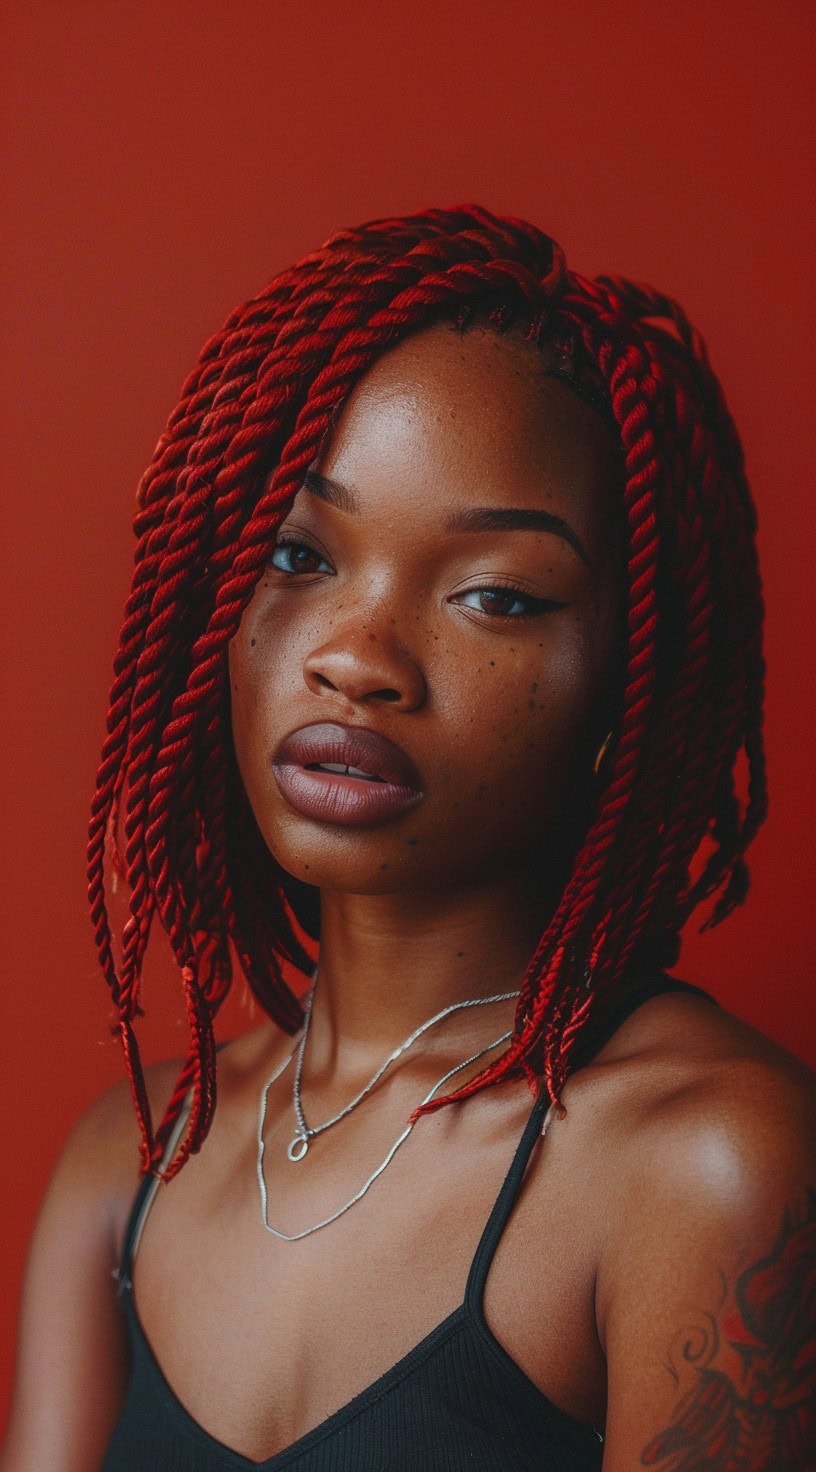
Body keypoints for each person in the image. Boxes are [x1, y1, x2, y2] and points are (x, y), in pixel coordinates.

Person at [3, 205, 814, 1472]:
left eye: (493, 593)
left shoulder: (707, 1159)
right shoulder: (133, 1159)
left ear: (627, 681)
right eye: (297, 552)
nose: (357, 657)